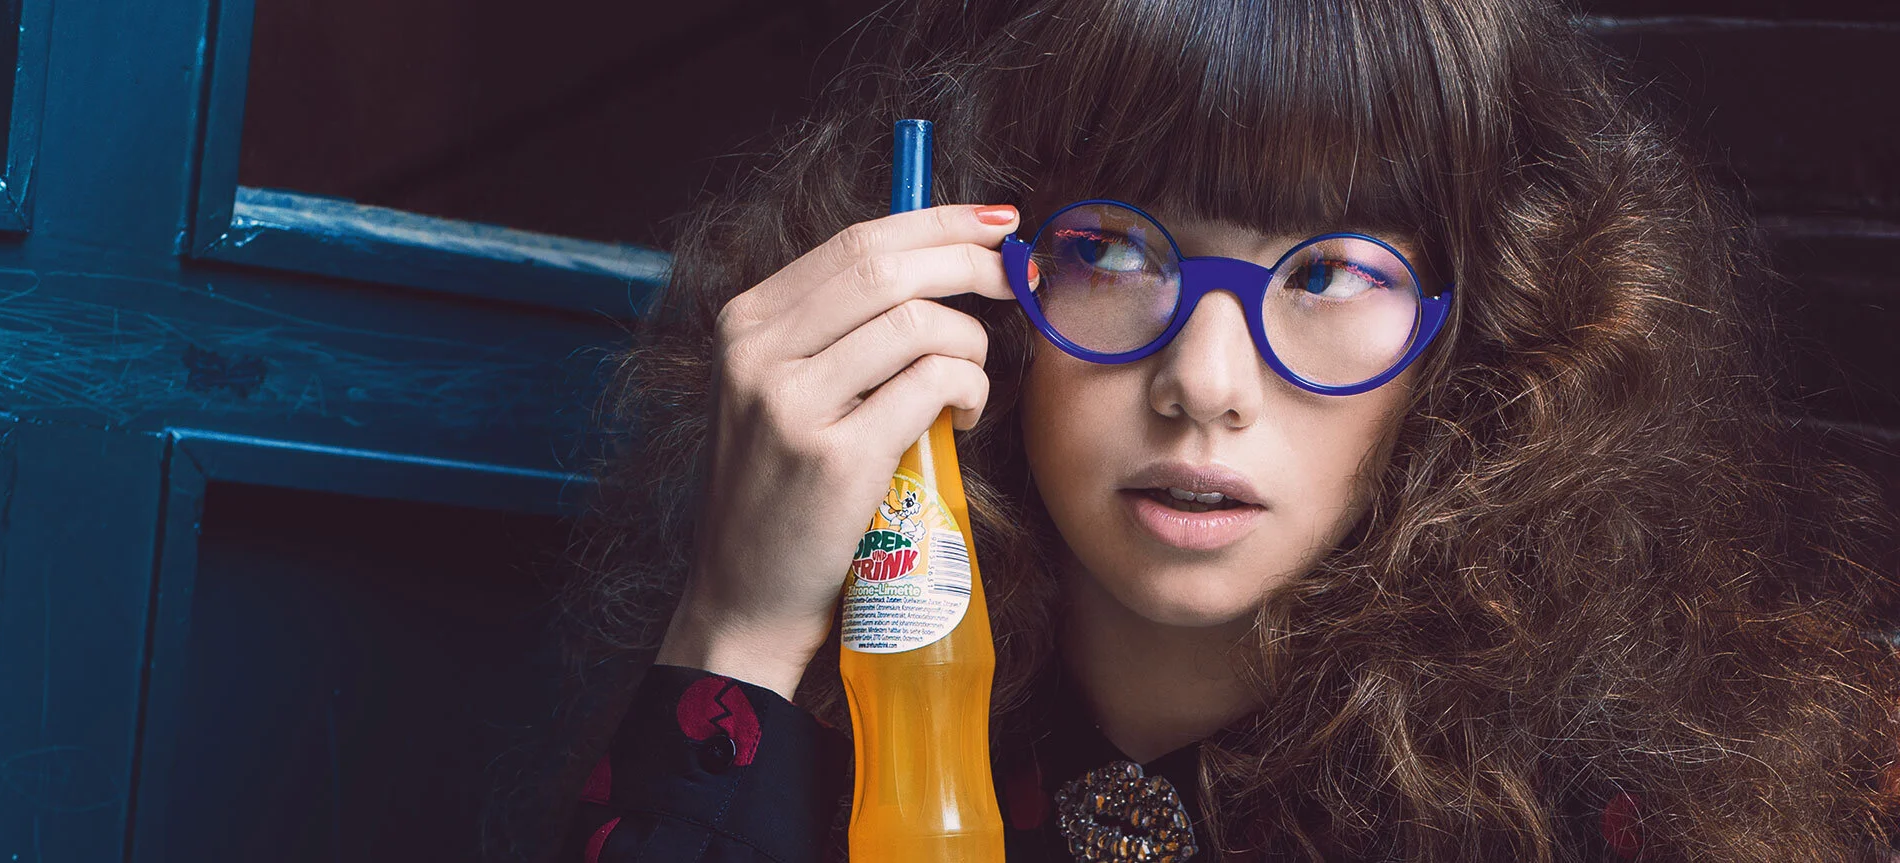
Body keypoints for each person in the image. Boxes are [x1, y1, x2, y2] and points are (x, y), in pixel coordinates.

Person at [551, 0, 1900, 860]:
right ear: (987, 292)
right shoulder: (839, 747)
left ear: (1481, 333)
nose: (1207, 379)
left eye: (1325, 274)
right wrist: (737, 621)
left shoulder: (1597, 813)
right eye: (1118, 250)